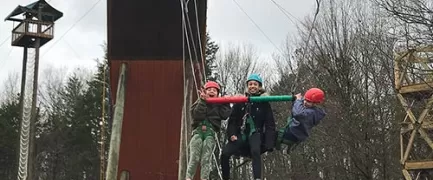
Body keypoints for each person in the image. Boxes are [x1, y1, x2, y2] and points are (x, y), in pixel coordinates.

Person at [220, 74, 276, 180]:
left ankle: (257, 177)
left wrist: (269, 143)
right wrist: (231, 134)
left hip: (256, 133)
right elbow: (232, 120)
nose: (252, 86)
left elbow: (270, 124)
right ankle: (225, 177)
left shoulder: (264, 103)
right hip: (240, 133)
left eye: (255, 84)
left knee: (255, 150)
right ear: (247, 86)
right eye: (250, 84)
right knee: (225, 153)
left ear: (259, 87)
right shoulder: (241, 102)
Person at [186, 81, 231, 180]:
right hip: (198, 132)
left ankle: (204, 178)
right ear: (205, 92)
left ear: (218, 94)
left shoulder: (219, 105)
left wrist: (226, 102)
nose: (211, 91)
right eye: (209, 90)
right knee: (194, 157)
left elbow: (224, 115)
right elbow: (197, 115)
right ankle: (189, 177)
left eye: (214, 90)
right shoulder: (199, 102)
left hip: (210, 133)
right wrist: (202, 101)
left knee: (206, 159)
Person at [275, 87, 326, 153]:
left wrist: (298, 100)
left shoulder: (312, 113)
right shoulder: (310, 109)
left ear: (316, 103)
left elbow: (298, 113)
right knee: (269, 136)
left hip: (294, 134)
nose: (305, 102)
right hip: (294, 133)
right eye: (305, 99)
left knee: (269, 136)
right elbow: (298, 109)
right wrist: (298, 99)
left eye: (308, 101)